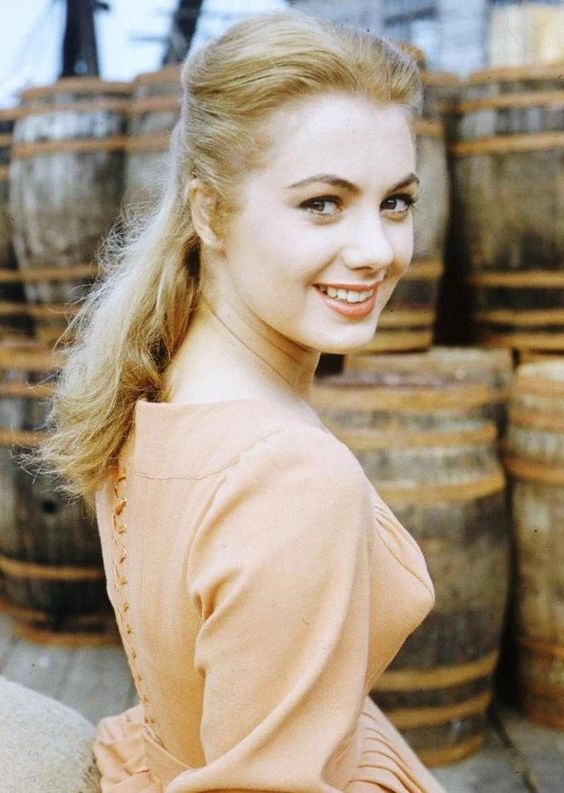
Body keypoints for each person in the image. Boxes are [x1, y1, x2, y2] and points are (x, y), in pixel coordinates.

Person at [41, 11, 446, 792]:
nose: (376, 250)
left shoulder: (157, 380)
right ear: (208, 210)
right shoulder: (291, 476)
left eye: (396, 202)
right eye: (322, 203)